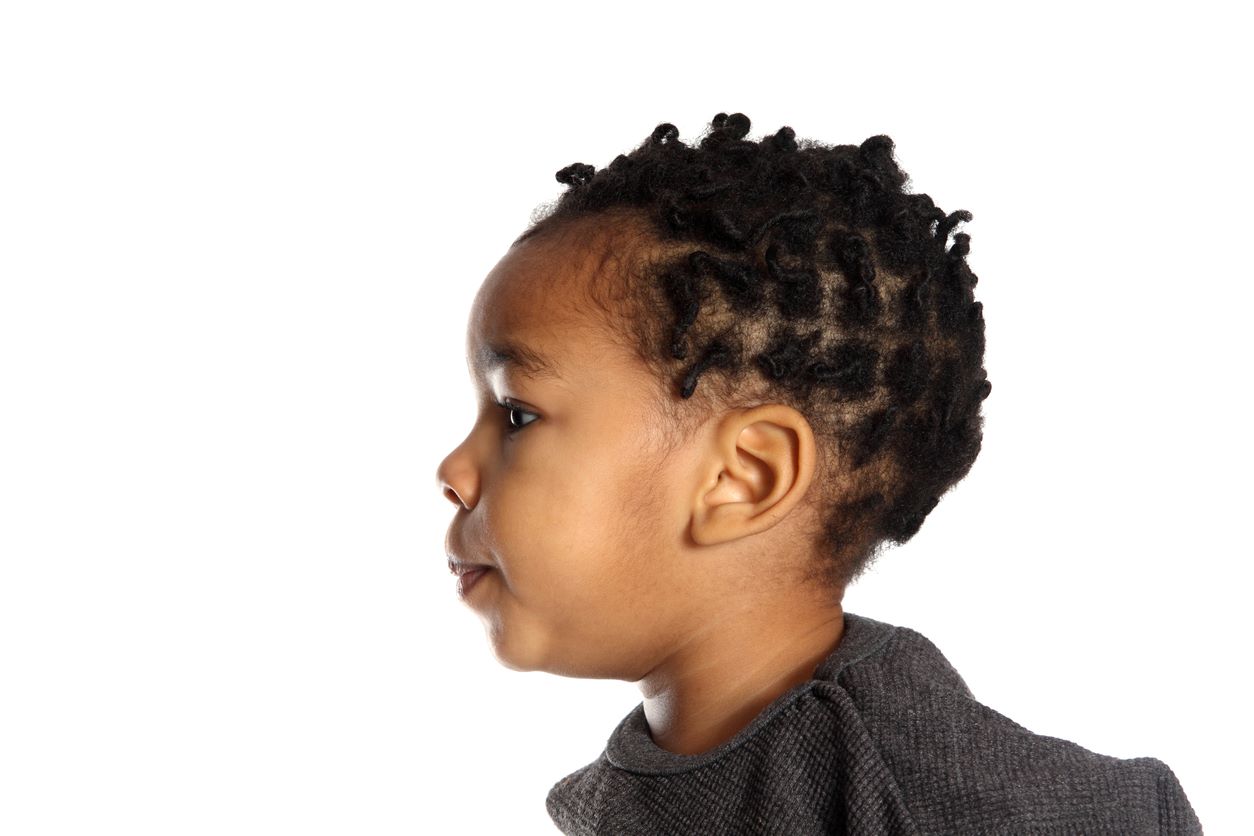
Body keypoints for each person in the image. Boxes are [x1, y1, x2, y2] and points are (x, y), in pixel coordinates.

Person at [436, 112, 1203, 834]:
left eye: (517, 415)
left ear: (745, 477)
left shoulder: (1006, 812)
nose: (453, 470)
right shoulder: (645, 796)